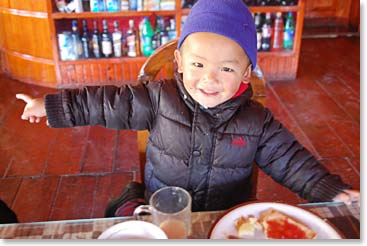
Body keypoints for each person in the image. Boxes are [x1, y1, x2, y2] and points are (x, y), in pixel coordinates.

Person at [16, 0, 359, 216]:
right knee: (124, 216)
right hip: (162, 210)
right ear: (179, 62)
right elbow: (104, 103)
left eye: (226, 68)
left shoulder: (258, 121)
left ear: (245, 72)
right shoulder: (157, 96)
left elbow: (294, 163)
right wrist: (51, 106)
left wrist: (334, 192)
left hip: (224, 219)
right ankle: (131, 202)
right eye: (198, 65)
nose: (209, 79)